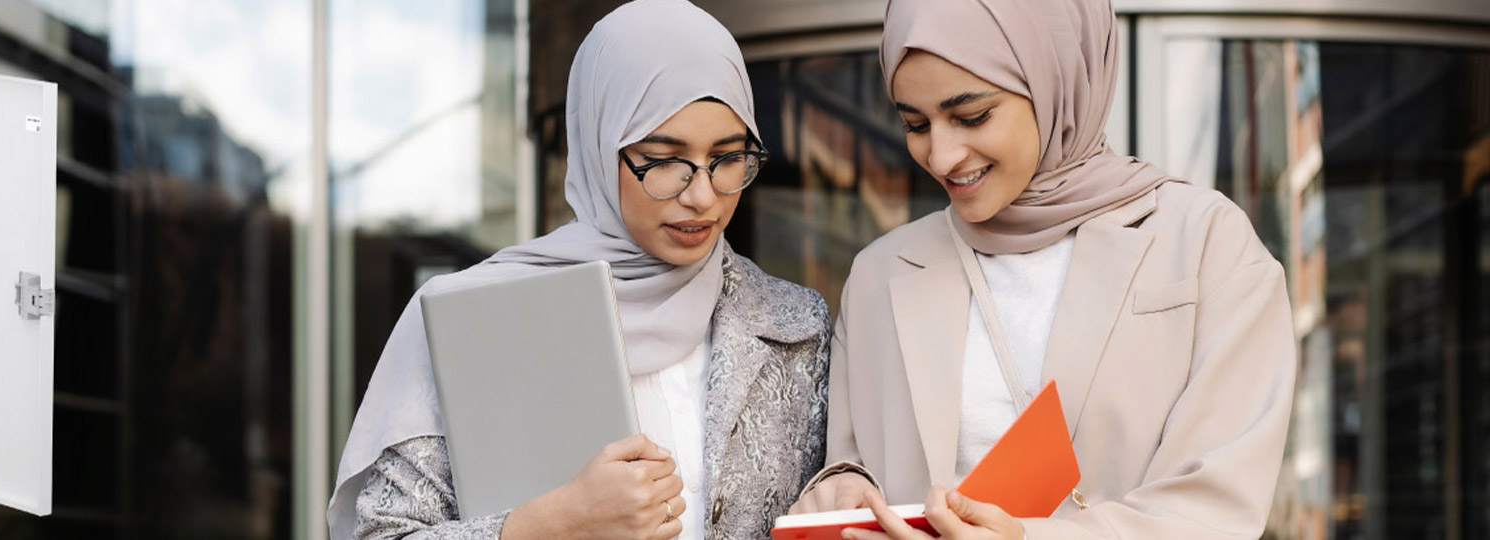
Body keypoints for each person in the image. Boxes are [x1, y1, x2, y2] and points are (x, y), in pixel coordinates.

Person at [789, 0, 1299, 538]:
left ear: (1057, 78)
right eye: (916, 124)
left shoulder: (1205, 244)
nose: (941, 156)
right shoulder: (879, 274)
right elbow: (858, 463)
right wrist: (843, 488)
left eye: (972, 116)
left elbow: (1215, 506)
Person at [329, 1, 832, 539]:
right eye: (664, 160)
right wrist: (552, 523)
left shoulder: (794, 324)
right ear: (597, 145)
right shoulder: (472, 317)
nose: (703, 196)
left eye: (729, 158)